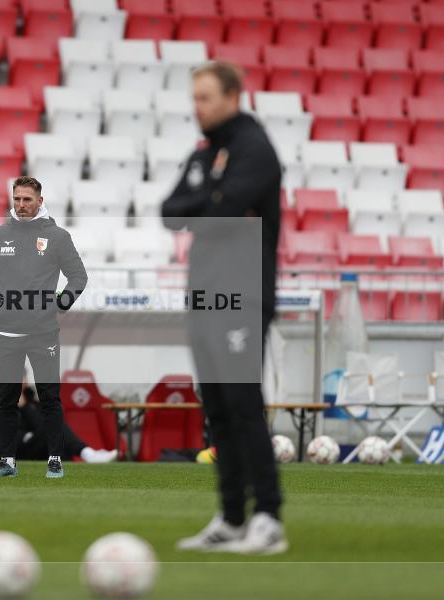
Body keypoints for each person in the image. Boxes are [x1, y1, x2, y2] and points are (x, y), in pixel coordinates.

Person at [163, 62, 287, 555]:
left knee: (241, 403)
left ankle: (268, 518)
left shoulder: (255, 148)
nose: (198, 106)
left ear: (233, 97)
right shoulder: (203, 152)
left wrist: (207, 200)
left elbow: (223, 208)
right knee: (215, 406)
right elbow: (170, 211)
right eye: (194, 97)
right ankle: (232, 518)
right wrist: (209, 198)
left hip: (244, 290)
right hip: (204, 291)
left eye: (206, 97)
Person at [0, 176, 88, 479]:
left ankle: (55, 460)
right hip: (5, 332)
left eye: (27, 199)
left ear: (40, 201)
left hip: (43, 332)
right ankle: (7, 462)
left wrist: (62, 302)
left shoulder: (58, 236)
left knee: (49, 398)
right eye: (17, 199)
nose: (21, 205)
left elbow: (78, 276)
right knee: (6, 399)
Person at [0, 373, 117, 463]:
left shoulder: (33, 403)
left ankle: (82, 457)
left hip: (39, 445)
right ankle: (86, 453)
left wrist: (25, 407)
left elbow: (40, 424)